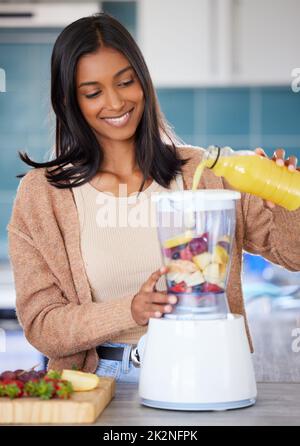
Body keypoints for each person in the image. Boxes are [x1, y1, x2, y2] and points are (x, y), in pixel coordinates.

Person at [7, 13, 300, 384]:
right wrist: (130, 310)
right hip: (102, 384)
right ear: (71, 101)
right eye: (93, 92)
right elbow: (42, 325)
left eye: (125, 82)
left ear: (143, 81)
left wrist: (289, 201)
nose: (115, 102)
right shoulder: (42, 196)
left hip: (205, 373)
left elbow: (293, 256)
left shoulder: (207, 173)